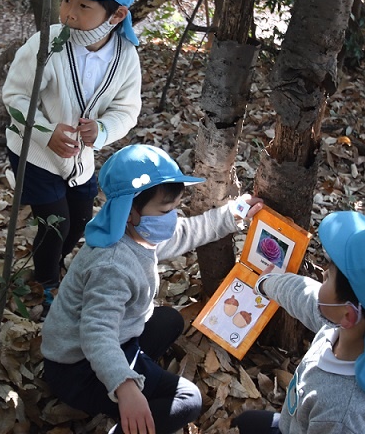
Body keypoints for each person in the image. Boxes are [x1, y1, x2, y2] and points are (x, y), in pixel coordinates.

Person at [41, 144, 264, 434]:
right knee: (188, 400)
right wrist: (125, 386)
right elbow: (96, 332)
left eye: (175, 208)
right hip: (78, 368)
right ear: (130, 211)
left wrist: (233, 214)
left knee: (169, 320)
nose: (172, 217)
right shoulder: (111, 265)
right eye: (165, 210)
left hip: (112, 340)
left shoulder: (130, 229)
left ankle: (132, 374)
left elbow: (185, 233)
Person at [2, 0, 142, 313]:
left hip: (80, 158)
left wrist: (104, 129)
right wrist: (45, 131)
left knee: (79, 220)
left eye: (83, 6)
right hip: (35, 152)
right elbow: (15, 97)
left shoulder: (125, 56)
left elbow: (127, 109)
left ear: (117, 15)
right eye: (66, 0)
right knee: (56, 225)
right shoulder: (47, 44)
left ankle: (51, 262)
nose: (69, 13)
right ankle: (47, 282)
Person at [233, 211, 365, 434]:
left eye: (329, 276)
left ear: (348, 314)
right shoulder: (351, 328)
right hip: (295, 421)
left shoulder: (344, 417)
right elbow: (303, 296)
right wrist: (266, 283)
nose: (323, 276)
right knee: (247, 421)